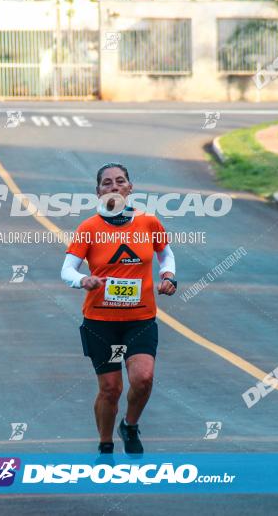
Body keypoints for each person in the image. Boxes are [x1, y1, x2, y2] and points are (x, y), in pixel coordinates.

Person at [60, 163, 177, 456]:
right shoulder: (89, 229)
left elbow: (165, 252)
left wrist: (168, 276)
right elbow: (67, 270)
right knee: (111, 388)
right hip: (101, 322)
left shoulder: (148, 222)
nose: (114, 186)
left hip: (140, 319)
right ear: (98, 192)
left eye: (120, 181)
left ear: (130, 187)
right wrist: (82, 280)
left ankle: (130, 425)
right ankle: (105, 444)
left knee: (143, 378)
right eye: (107, 183)